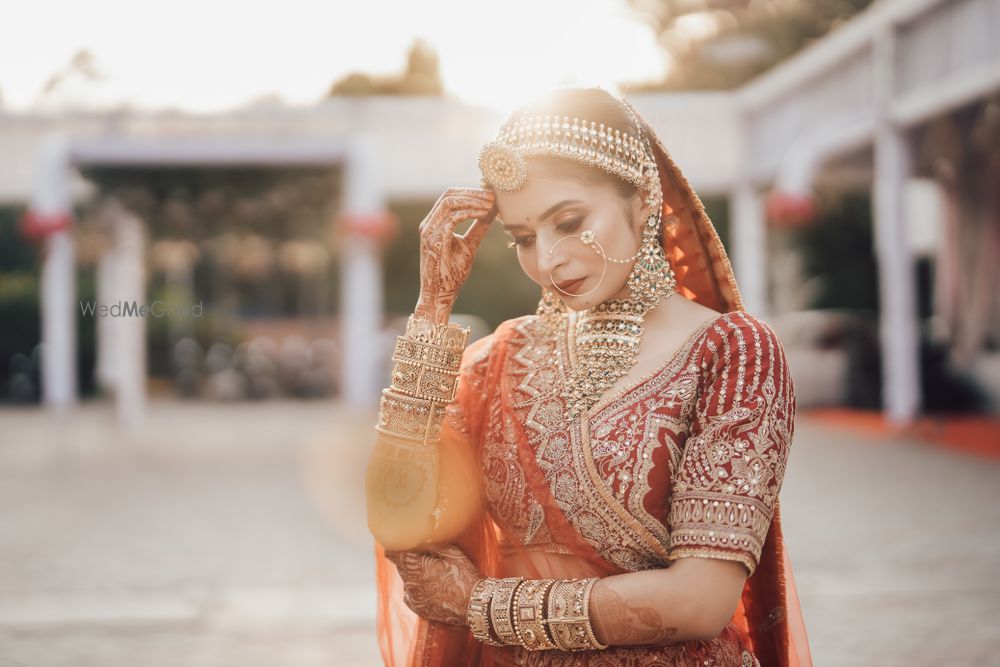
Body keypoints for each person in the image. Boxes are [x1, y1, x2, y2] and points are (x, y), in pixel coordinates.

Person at [365, 87, 812, 667]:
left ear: (644, 200)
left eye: (570, 222)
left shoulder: (732, 354)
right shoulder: (505, 356)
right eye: (524, 238)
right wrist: (432, 309)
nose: (548, 259)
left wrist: (482, 606)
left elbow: (700, 601)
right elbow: (395, 517)